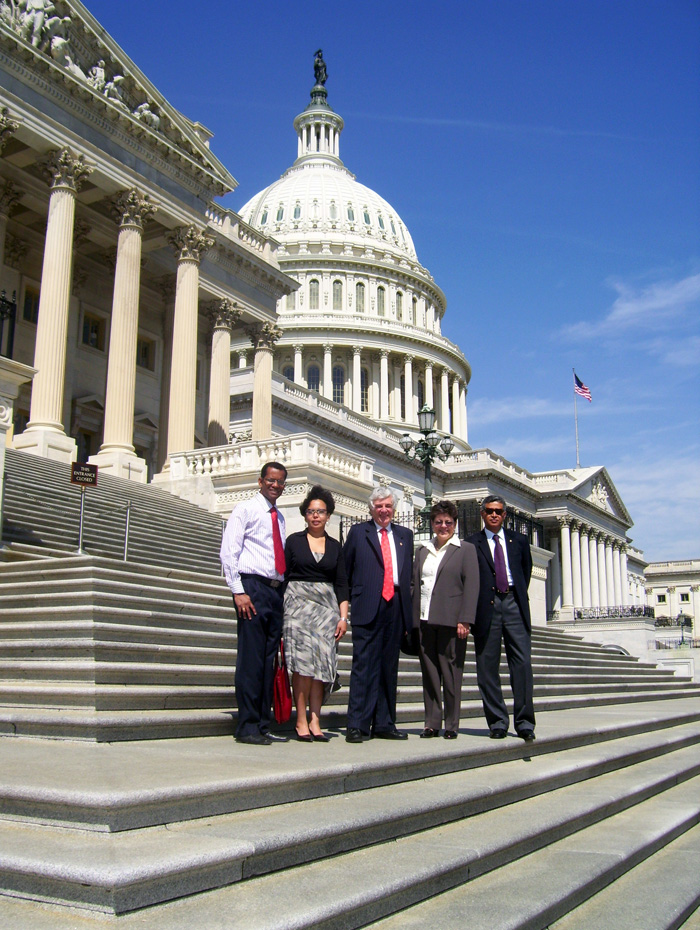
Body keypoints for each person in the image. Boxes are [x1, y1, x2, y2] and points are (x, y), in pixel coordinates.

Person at [220, 462, 289, 745]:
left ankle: (262, 722)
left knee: (268, 662)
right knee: (251, 660)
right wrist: (238, 591)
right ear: (260, 481)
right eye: (271, 480)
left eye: (280, 482)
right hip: (252, 587)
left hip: (274, 591)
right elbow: (228, 552)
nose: (275, 486)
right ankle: (247, 725)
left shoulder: (280, 517)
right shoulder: (245, 509)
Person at [343, 486, 413, 742]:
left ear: (394, 509)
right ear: (371, 508)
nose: (384, 510)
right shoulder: (359, 532)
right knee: (364, 665)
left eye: (388, 506)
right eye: (379, 506)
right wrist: (349, 602)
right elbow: (345, 569)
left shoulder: (405, 535)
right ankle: (357, 724)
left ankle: (384, 722)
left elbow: (408, 574)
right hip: (368, 603)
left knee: (388, 665)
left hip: (395, 605)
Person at [467, 495, 535, 741]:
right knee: (487, 668)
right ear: (482, 514)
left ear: (505, 514)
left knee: (523, 665)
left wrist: (512, 594)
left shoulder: (519, 541)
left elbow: (524, 572)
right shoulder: (471, 543)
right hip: (487, 607)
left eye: (498, 511)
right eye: (489, 511)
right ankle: (497, 721)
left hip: (514, 604)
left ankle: (525, 722)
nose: (494, 514)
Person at [284, 486, 349, 742]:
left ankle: (315, 718)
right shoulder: (293, 541)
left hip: (326, 610)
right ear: (304, 515)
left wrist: (343, 617)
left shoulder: (335, 546)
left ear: (328, 515)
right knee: (301, 666)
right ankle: (300, 718)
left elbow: (342, 583)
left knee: (322, 665)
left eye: (320, 511)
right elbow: (285, 574)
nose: (315, 516)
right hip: (297, 607)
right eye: (311, 511)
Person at [413, 500, 479, 740]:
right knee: (429, 674)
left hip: (452, 621)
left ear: (455, 524)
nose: (443, 526)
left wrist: (465, 619)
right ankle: (431, 722)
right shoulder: (422, 550)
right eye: (439, 522)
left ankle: (451, 723)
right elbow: (415, 584)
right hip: (425, 619)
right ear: (432, 523)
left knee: (451, 674)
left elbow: (472, 586)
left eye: (448, 522)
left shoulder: (465, 550)